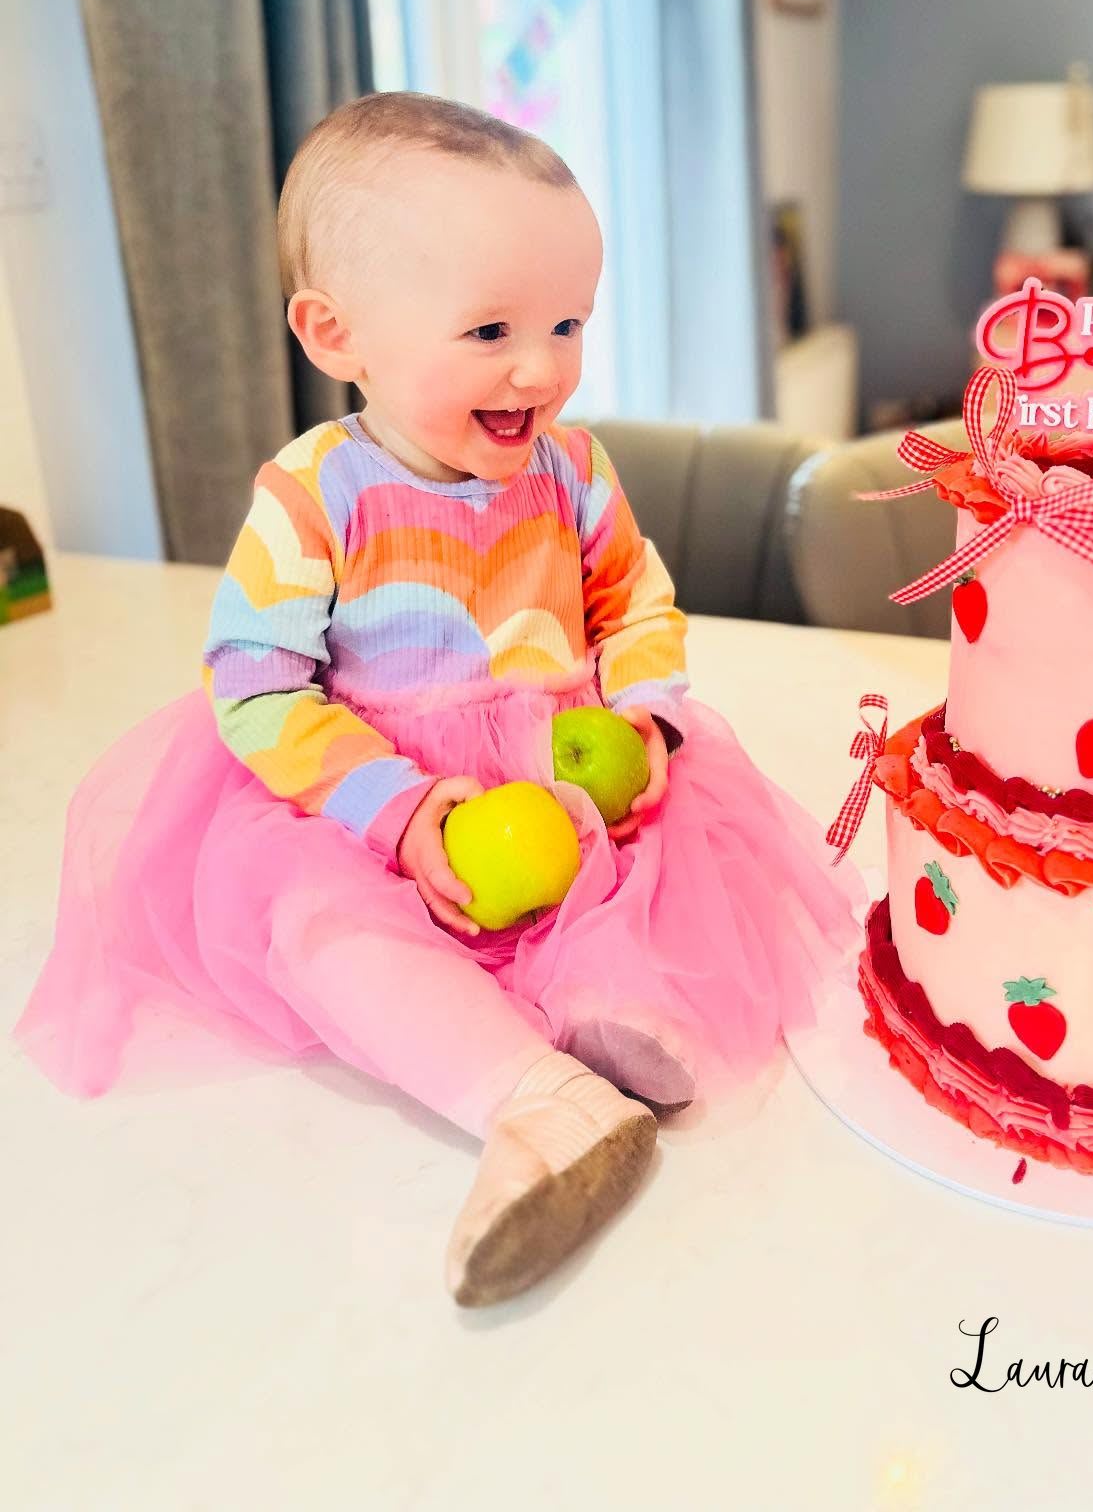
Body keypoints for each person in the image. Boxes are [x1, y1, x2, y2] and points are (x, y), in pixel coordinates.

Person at [15, 93, 861, 1307]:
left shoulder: (573, 470)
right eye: (492, 329)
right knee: (319, 926)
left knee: (646, 870)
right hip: (376, 793)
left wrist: (644, 719)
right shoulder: (314, 494)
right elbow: (254, 686)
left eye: (569, 322)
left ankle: (609, 1013)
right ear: (334, 333)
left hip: (563, 776)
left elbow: (636, 606)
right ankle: (536, 1100)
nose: (543, 366)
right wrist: (401, 814)